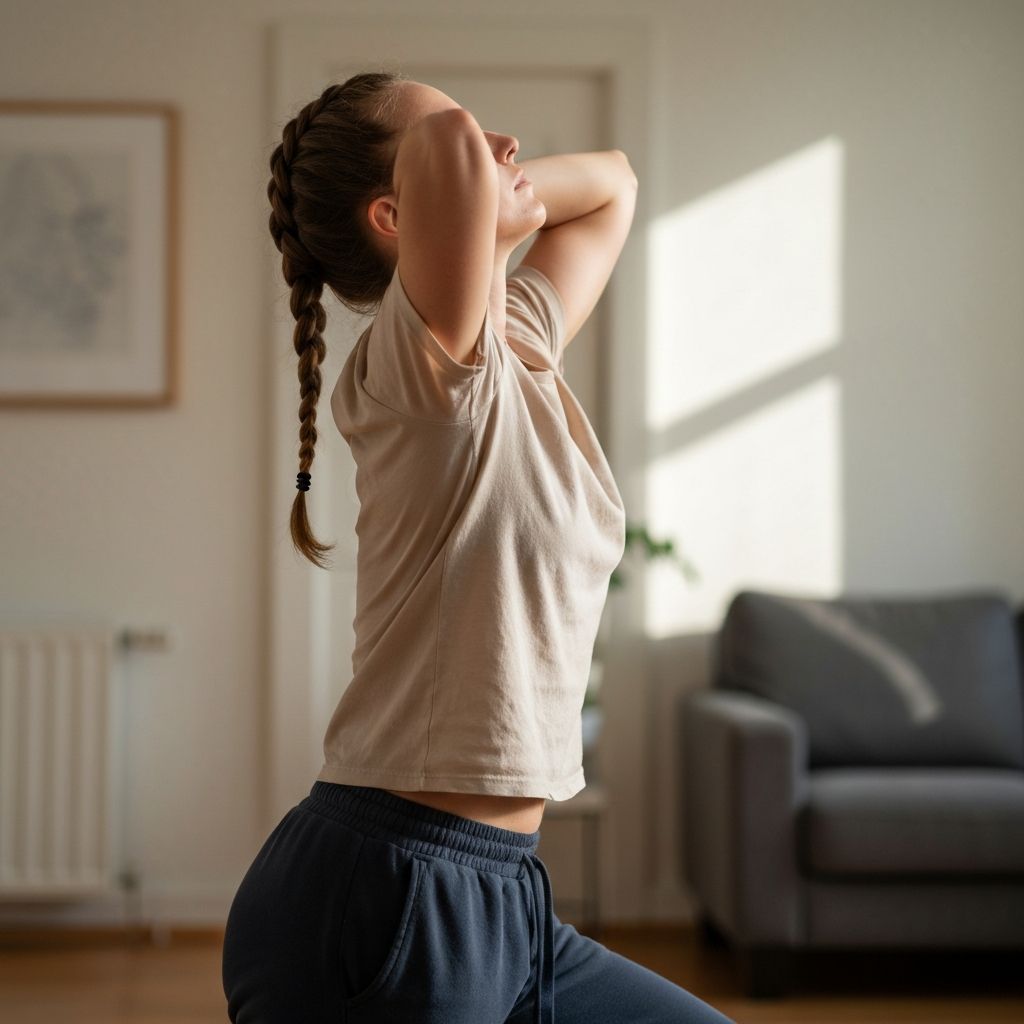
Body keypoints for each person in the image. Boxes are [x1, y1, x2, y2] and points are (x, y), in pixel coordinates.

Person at [222, 69, 735, 1024]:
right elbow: (456, 144)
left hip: (503, 897)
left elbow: (616, 183)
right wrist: (473, 181)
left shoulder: (518, 342)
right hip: (389, 895)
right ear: (395, 214)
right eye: (468, 143)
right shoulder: (420, 368)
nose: (502, 144)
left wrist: (495, 193)